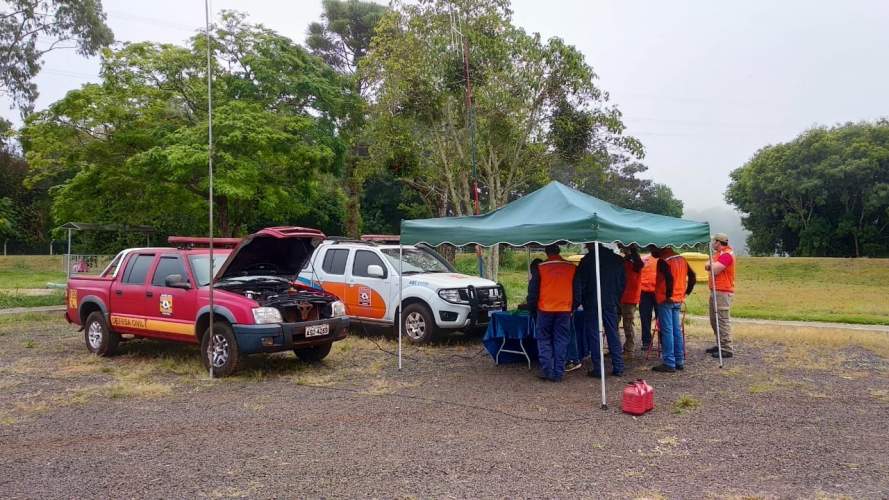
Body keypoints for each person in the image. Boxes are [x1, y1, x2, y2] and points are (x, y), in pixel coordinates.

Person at [526, 245, 579, 382]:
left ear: (546, 252)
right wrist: (572, 307)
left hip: (545, 309)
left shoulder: (541, 267)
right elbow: (578, 291)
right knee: (561, 340)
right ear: (559, 251)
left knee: (544, 340)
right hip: (564, 310)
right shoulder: (571, 267)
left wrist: (532, 307)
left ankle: (547, 370)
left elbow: (533, 291)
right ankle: (559, 372)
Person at [575, 242, 626, 378]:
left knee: (594, 335)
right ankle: (618, 366)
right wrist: (616, 297)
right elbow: (623, 282)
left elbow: (580, 284)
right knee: (613, 334)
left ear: (590, 246)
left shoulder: (586, 261)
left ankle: (598, 368)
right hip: (611, 302)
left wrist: (578, 302)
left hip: (592, 303)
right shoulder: (617, 260)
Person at [650, 245, 696, 373]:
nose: (651, 253)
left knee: (667, 331)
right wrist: (686, 293)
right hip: (678, 299)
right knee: (676, 330)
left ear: (659, 248)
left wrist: (668, 295)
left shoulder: (663, 260)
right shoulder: (681, 258)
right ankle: (679, 361)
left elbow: (669, 278)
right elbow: (693, 276)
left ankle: (669, 362)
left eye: (652, 249)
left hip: (666, 300)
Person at [705, 233, 736, 358]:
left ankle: (727, 348)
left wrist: (709, 265)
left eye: (714, 241)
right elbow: (709, 264)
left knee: (722, 320)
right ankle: (720, 345)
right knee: (714, 320)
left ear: (719, 242)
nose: (713, 243)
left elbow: (715, 269)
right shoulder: (719, 254)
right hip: (716, 290)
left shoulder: (727, 255)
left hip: (722, 291)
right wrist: (710, 265)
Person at [618, 244, 644, 356]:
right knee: (614, 323)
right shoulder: (624, 263)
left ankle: (629, 349)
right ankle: (616, 348)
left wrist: (631, 250)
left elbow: (639, 262)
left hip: (629, 298)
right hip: (619, 296)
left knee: (627, 324)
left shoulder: (637, 265)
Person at [638, 254, 658, 351]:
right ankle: (646, 341)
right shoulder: (643, 258)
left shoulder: (662, 259)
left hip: (658, 292)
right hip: (644, 292)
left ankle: (663, 341)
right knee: (645, 317)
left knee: (661, 318)